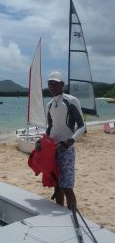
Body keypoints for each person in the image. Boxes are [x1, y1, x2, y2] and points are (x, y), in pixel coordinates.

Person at [46, 70, 85, 209]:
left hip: (67, 150)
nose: (53, 87)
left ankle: (72, 214)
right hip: (52, 150)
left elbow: (82, 126)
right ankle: (61, 215)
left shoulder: (71, 101)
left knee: (67, 186)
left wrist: (70, 141)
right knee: (57, 186)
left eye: (55, 84)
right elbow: (50, 128)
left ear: (62, 84)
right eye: (50, 84)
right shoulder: (49, 104)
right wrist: (42, 142)